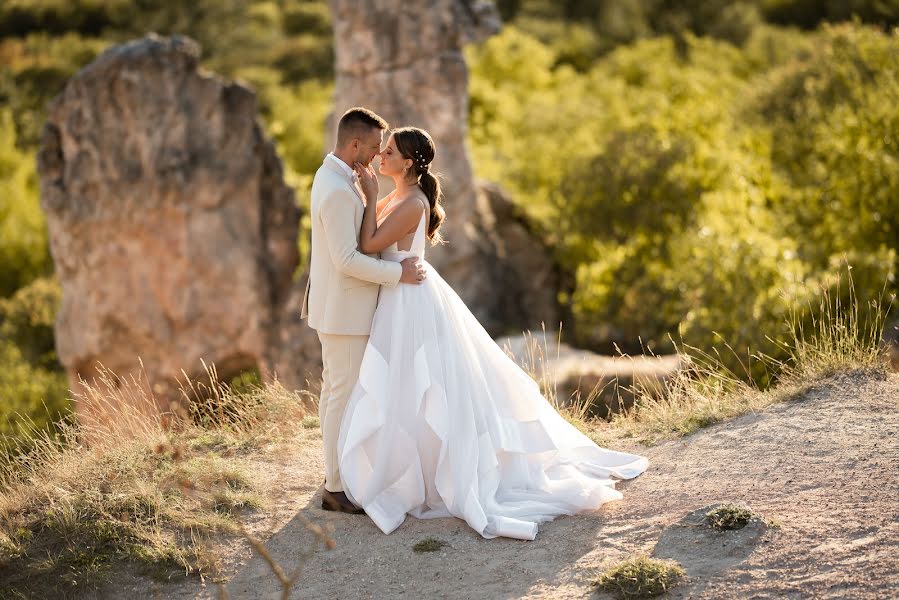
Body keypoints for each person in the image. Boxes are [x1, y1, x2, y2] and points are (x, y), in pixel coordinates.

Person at [335, 126, 649, 540]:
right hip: (401, 293)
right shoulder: (402, 195)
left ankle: (430, 474)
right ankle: (411, 469)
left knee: (423, 382)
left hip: (409, 299)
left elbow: (370, 244)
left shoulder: (412, 202)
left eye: (389, 151)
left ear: (408, 162)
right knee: (405, 383)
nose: (381, 156)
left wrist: (370, 196)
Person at [301, 107, 426, 514]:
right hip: (344, 309)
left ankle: (339, 474)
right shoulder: (337, 188)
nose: (376, 156)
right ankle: (336, 488)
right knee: (341, 395)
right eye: (374, 147)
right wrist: (397, 274)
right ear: (354, 144)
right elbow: (346, 260)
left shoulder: (337, 176)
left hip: (345, 306)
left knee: (340, 392)